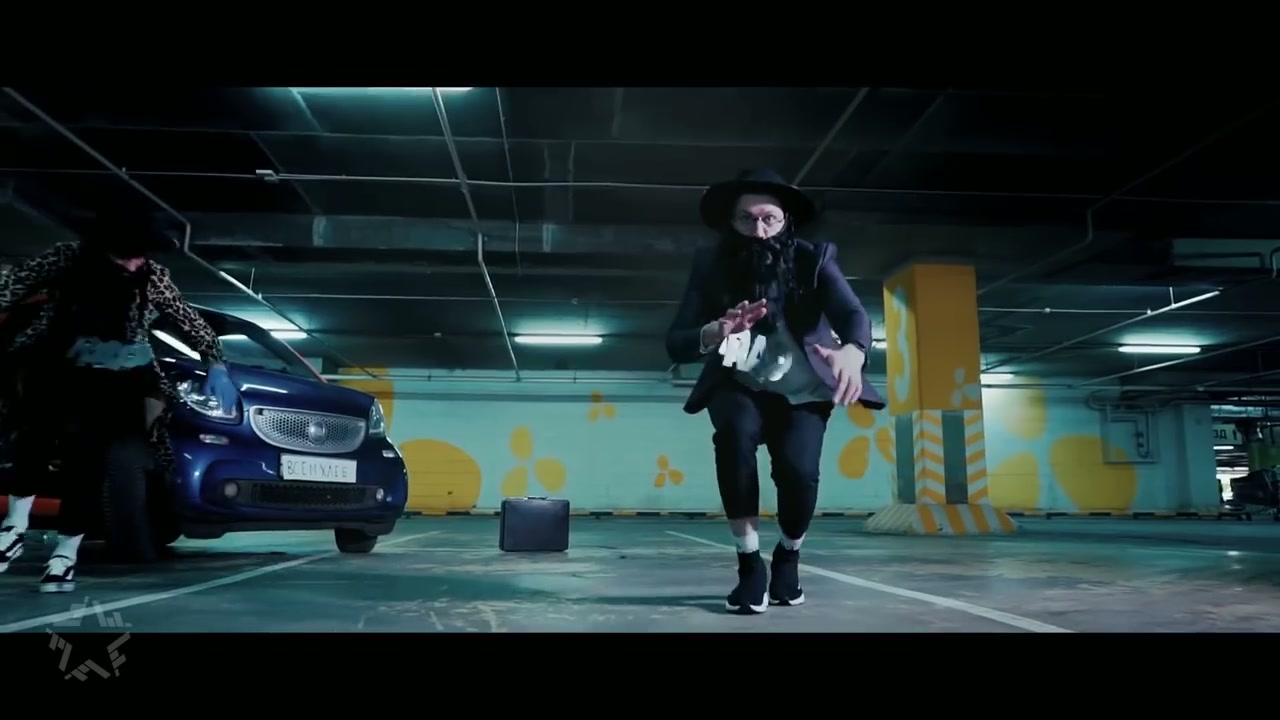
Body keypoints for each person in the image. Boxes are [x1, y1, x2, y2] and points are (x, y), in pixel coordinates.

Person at [666, 169, 885, 615]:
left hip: (804, 390)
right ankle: (749, 565)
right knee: (733, 439)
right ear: (731, 223)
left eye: (769, 219)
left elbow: (853, 313)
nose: (759, 231)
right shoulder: (710, 264)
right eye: (746, 220)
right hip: (739, 383)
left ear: (786, 221)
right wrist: (714, 331)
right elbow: (676, 340)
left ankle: (788, 555)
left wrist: (854, 351)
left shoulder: (814, 258)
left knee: (799, 473)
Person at [0, 207, 236, 592]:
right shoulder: (66, 258)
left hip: (117, 377)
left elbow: (189, 320)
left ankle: (65, 554)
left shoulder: (152, 276)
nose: (136, 262)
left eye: (141, 254)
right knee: (32, 440)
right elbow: (10, 288)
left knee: (87, 462)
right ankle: (14, 526)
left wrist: (215, 362)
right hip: (57, 362)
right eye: (129, 254)